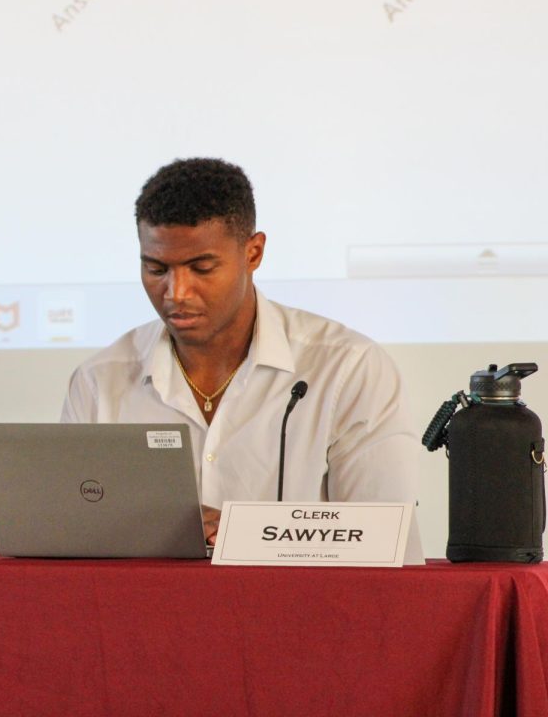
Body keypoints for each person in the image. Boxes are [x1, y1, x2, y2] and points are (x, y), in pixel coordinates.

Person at [61, 158, 419, 543]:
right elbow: (73, 536)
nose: (176, 292)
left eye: (201, 268)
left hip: (298, 604)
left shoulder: (348, 368)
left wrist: (240, 532)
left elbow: (385, 540)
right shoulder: (99, 381)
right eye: (156, 269)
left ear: (253, 253)